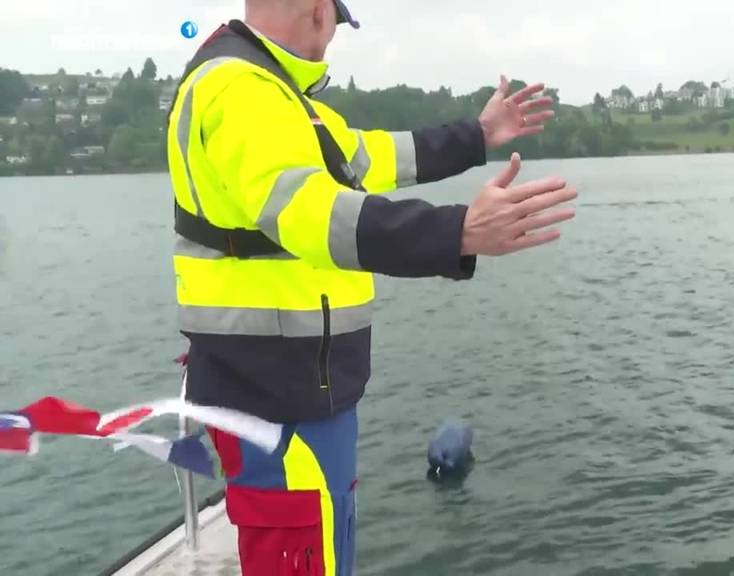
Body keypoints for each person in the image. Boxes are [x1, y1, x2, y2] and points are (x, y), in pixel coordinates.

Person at [164, 1, 577, 574]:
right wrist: (457, 231)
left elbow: (374, 155)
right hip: (274, 397)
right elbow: (314, 216)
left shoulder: (281, 101)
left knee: (330, 542)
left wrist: (476, 135)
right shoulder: (240, 92)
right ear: (316, 12)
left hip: (296, 390)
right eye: (337, 25)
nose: (332, 40)